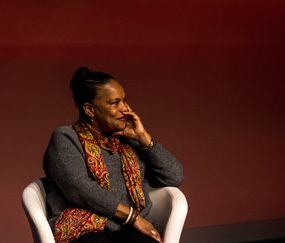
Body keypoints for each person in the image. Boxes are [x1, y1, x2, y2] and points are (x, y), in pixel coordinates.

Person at [43, 67, 183, 243]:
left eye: (124, 101)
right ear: (90, 110)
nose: (125, 109)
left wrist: (144, 138)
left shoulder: (128, 140)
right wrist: (133, 217)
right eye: (115, 103)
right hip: (85, 229)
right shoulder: (66, 138)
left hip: (128, 230)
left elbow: (174, 176)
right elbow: (80, 189)